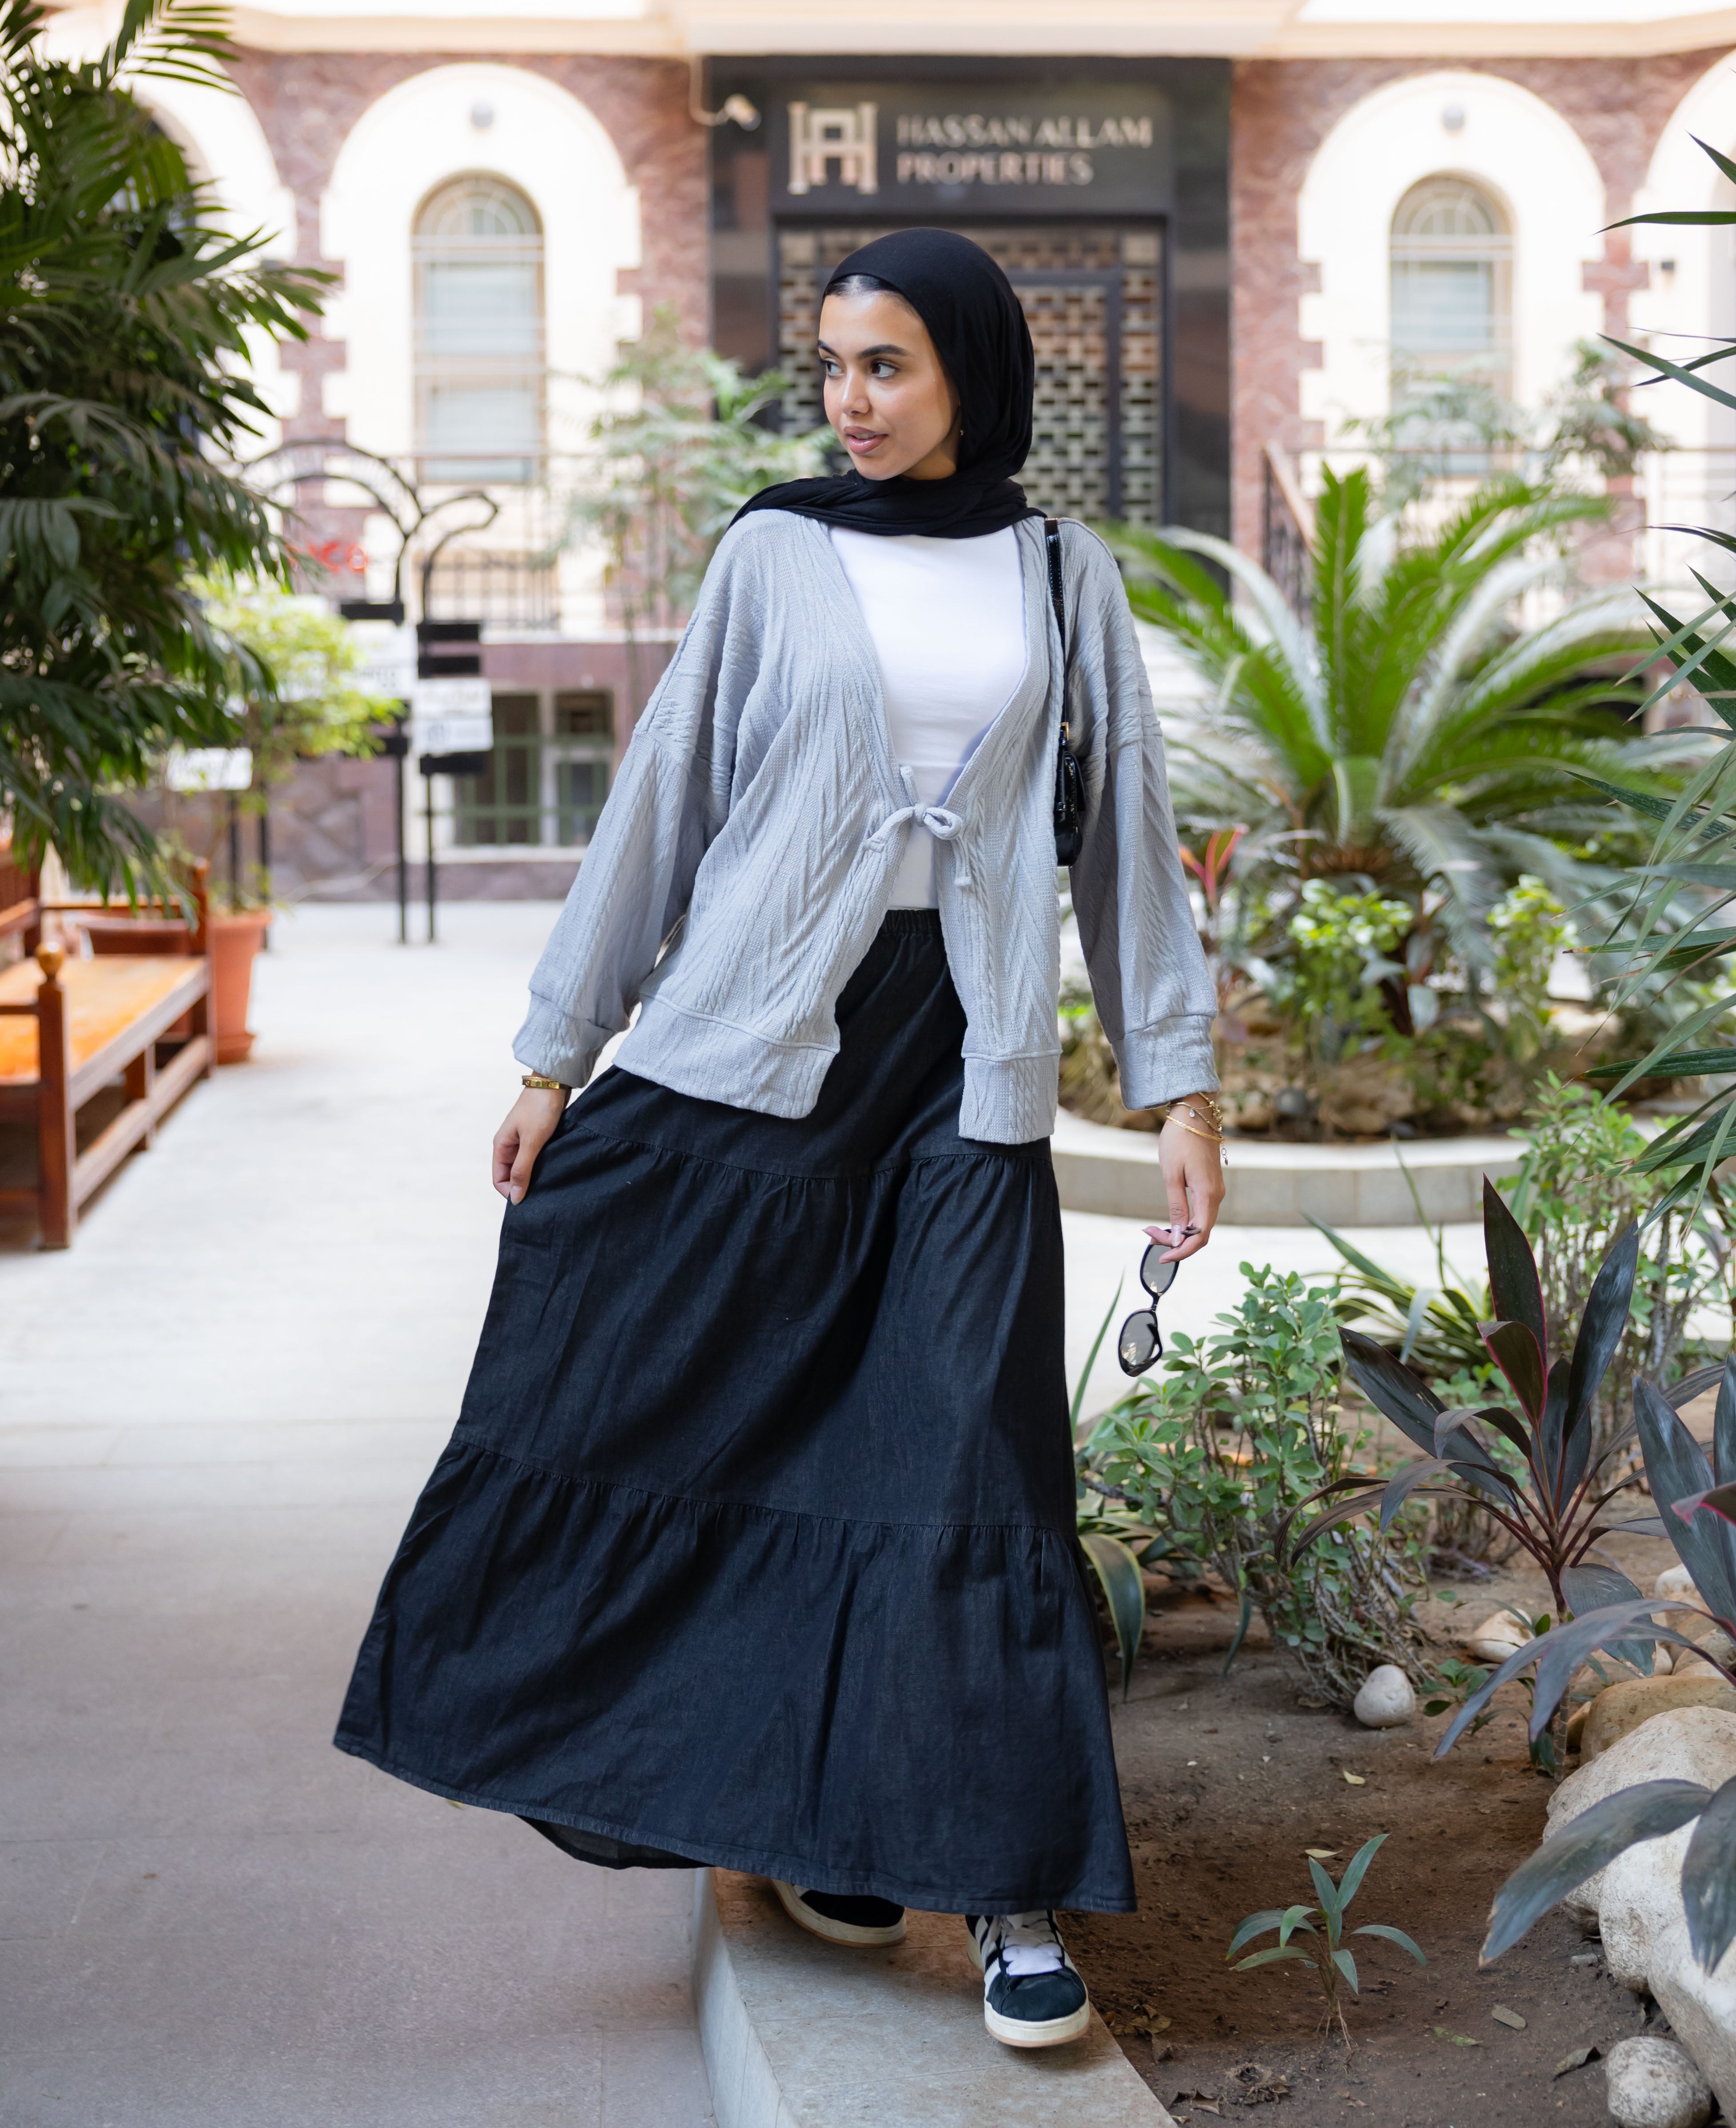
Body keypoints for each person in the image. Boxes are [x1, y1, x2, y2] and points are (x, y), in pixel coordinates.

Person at [334, 228, 1224, 2051]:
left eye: (885, 364)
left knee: (971, 1464)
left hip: (963, 1072)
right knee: (694, 1408)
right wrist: (555, 1050)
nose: (851, 399)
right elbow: (668, 791)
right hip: (753, 1049)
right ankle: (808, 1812)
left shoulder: (1063, 577)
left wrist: (1180, 1079)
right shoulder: (776, 550)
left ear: (973, 367)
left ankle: (1000, 1889)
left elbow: (1124, 826)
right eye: (832, 366)